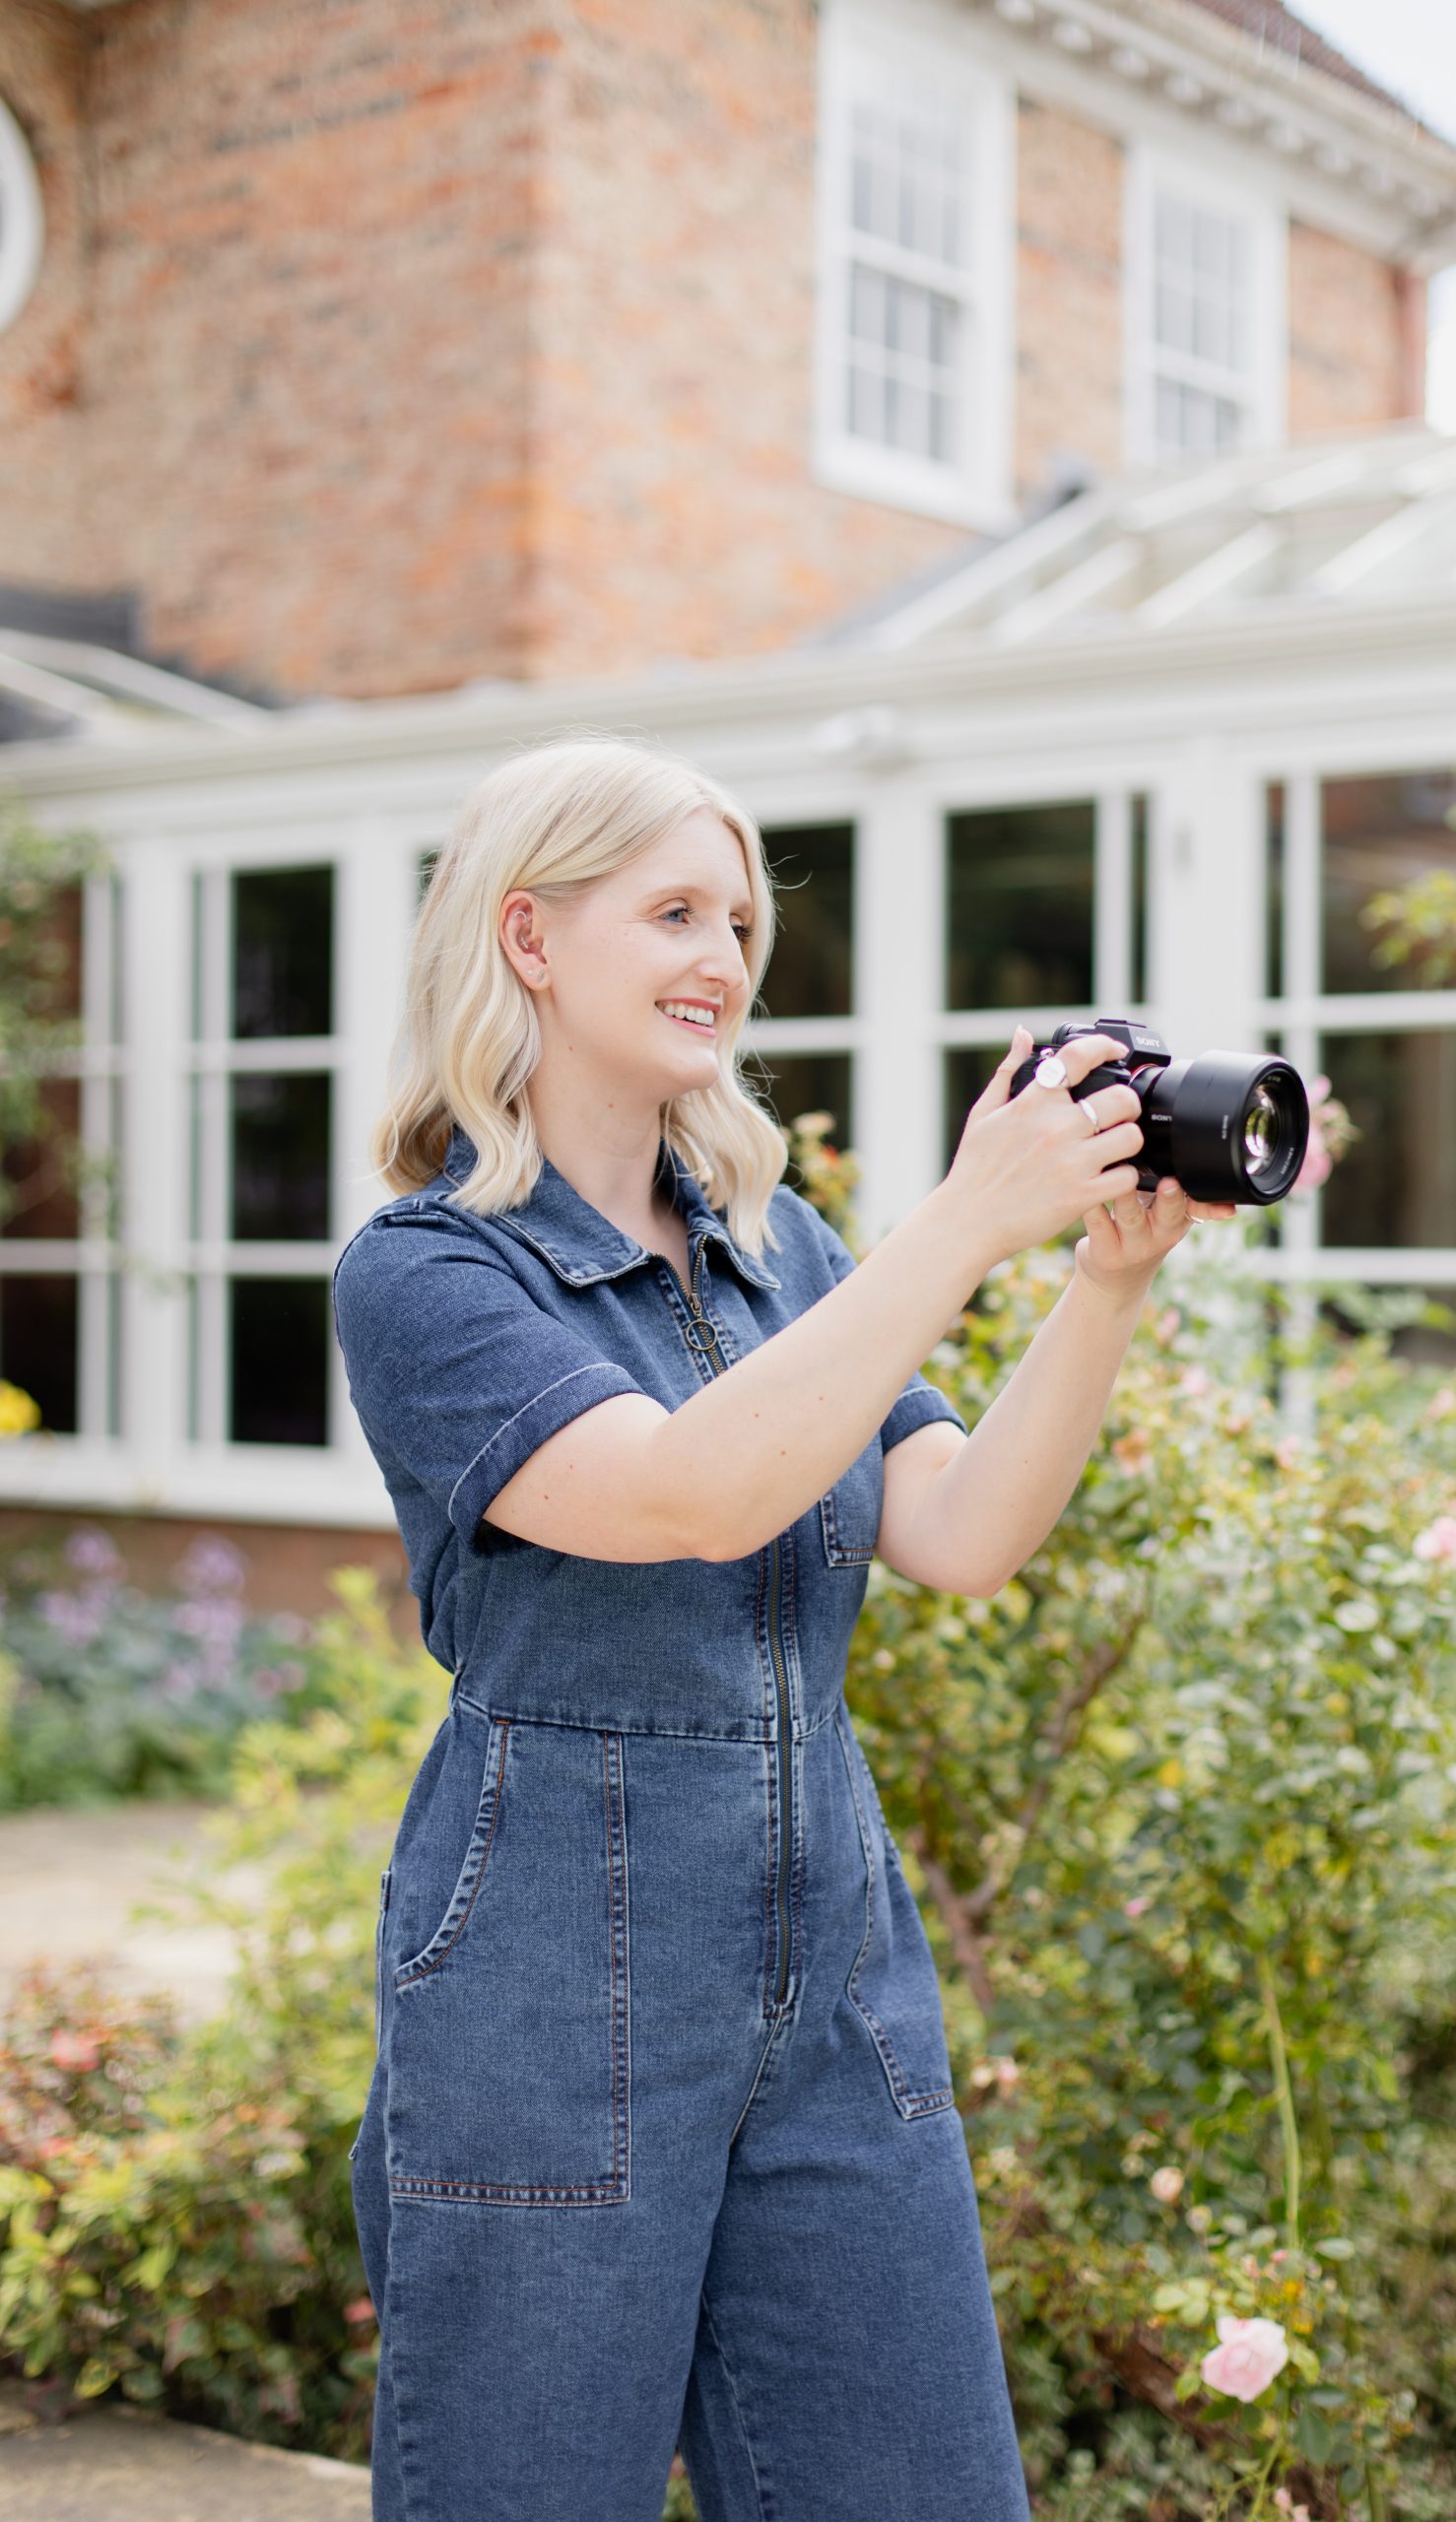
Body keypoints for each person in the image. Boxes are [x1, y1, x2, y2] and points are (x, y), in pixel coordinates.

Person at [331, 734, 1234, 2522]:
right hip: (549, 1995)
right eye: (672, 912)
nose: (725, 962)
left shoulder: (777, 1250)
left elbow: (964, 1532)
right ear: (526, 937)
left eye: (739, 921)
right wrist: (969, 1218)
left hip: (837, 1991)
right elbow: (685, 1496)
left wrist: (1101, 1280)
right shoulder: (429, 1276)